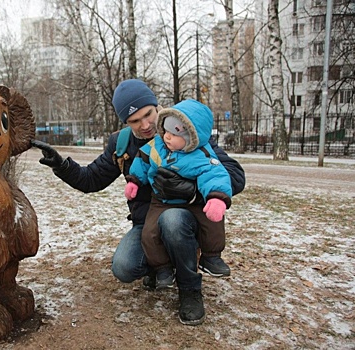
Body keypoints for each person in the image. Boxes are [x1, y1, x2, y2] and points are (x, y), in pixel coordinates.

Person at [31, 79, 245, 326]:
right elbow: (92, 179)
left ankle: (190, 290)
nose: (145, 125)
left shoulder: (184, 128)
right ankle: (160, 265)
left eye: (148, 115)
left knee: (173, 221)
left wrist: (192, 191)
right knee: (124, 267)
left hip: (187, 219)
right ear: (125, 122)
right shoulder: (122, 144)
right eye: (135, 121)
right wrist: (62, 166)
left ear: (157, 106)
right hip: (147, 224)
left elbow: (234, 175)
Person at [124, 99, 233, 290]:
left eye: (174, 134)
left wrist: (216, 197)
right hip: (161, 201)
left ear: (192, 136)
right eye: (165, 130)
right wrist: (134, 180)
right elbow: (142, 159)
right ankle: (162, 268)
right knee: (149, 233)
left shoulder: (202, 154)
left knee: (212, 222)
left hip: (192, 203)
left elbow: (215, 174)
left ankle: (211, 256)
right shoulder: (157, 145)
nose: (166, 137)